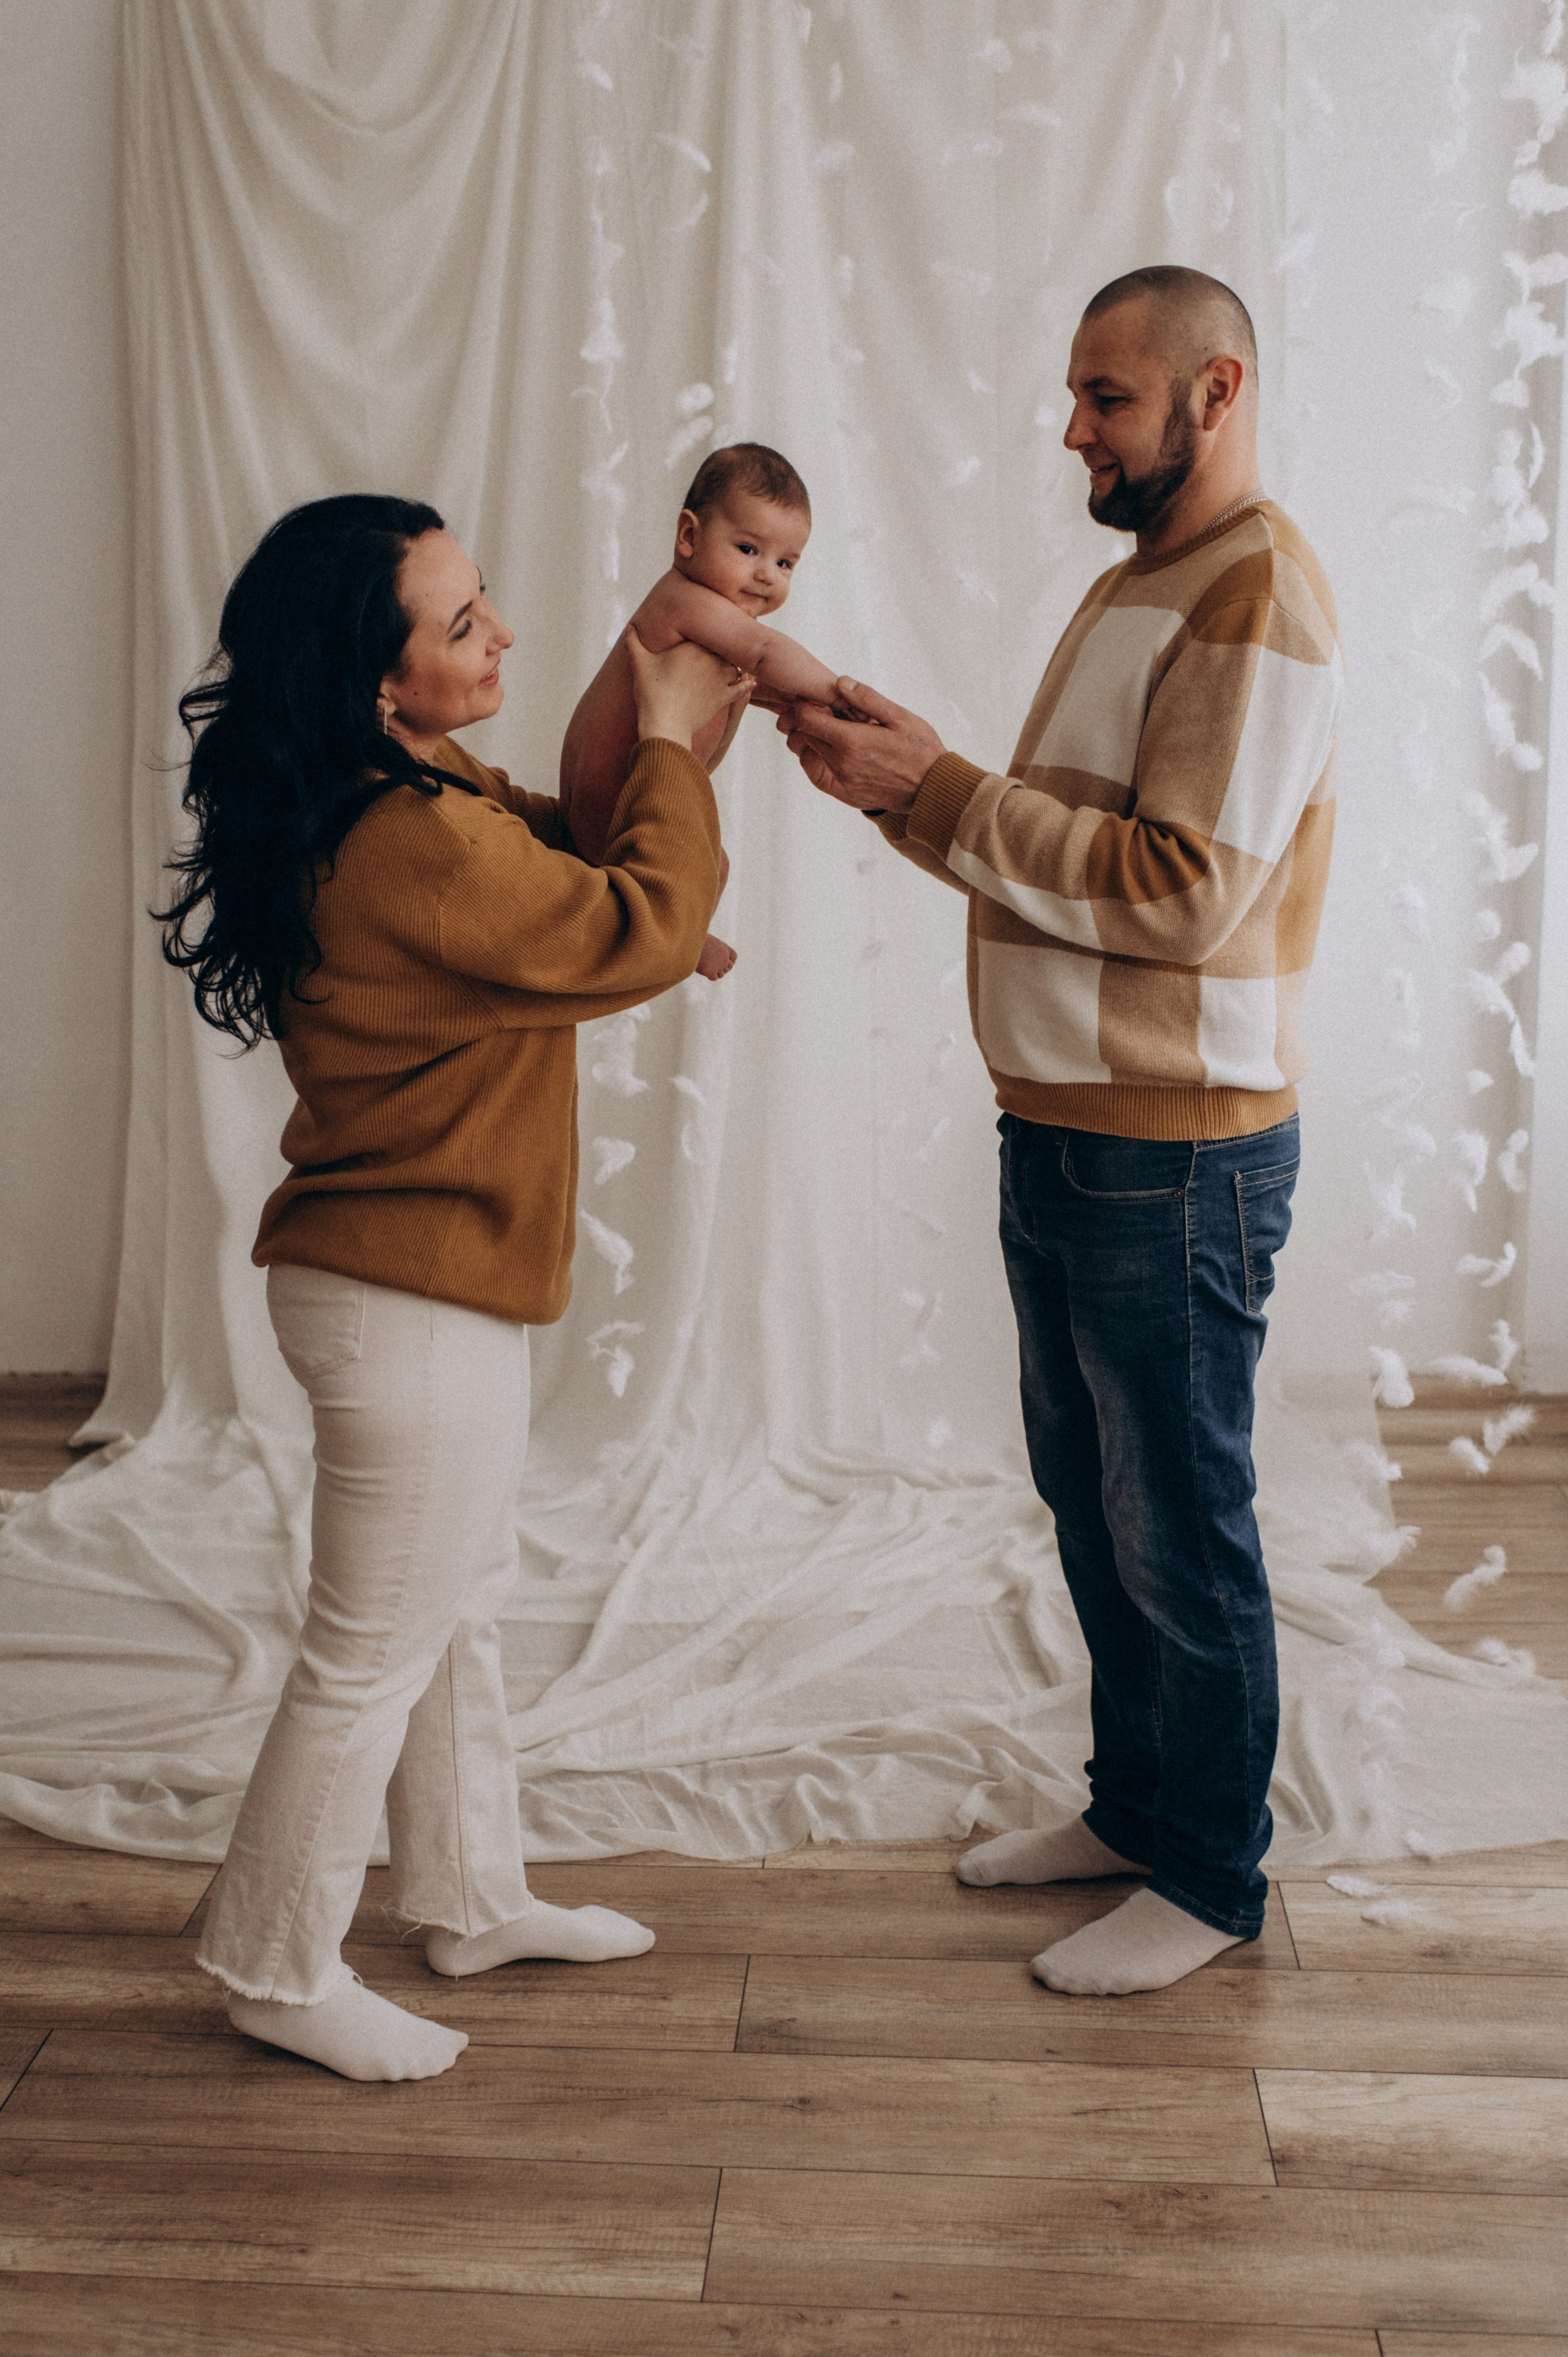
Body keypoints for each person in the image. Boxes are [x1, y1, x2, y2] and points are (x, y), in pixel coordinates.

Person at [778, 267, 1341, 1997]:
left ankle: (1215, 1877)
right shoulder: (1146, 585)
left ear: (1213, 391)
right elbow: (1065, 853)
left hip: (1171, 1153)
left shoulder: (1256, 600)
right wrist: (906, 785)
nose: (1074, 428)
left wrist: (937, 788)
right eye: (1079, 396)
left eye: (1106, 396)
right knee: (1097, 1509)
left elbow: (1180, 900)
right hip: (1074, 1131)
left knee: (1181, 1522)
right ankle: (1133, 1807)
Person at [159, 492, 749, 2079]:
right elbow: (625, 920)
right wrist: (678, 765)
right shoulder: (405, 835)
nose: (499, 634)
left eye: (485, 604)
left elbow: (579, 857)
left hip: (427, 1284)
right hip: (399, 1302)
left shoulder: (412, 790)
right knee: (368, 1650)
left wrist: (665, 708)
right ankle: (274, 1968)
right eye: (462, 623)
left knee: (454, 1611)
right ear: (376, 678)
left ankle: (471, 1895)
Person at [560, 442, 842, 979]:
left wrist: (791, 701)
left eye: (785, 563)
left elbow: (751, 680)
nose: (767, 575)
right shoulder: (681, 601)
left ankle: (681, 937)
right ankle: (672, 942)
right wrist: (836, 693)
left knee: (716, 867)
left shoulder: (714, 626)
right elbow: (765, 652)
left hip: (632, 804)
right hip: (610, 804)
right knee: (681, 878)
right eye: (748, 549)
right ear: (689, 537)